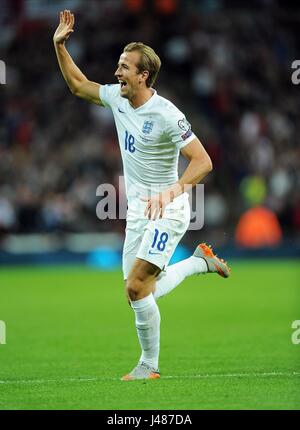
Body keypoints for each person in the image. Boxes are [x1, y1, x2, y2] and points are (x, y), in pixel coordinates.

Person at [53, 10, 231, 381]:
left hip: (169, 208)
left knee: (137, 286)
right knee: (136, 291)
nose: (117, 72)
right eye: (118, 65)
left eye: (124, 66)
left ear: (142, 75)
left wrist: (173, 191)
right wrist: (59, 46)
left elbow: (203, 161)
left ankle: (148, 367)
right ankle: (200, 262)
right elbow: (78, 85)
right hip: (138, 211)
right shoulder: (118, 100)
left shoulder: (166, 114)